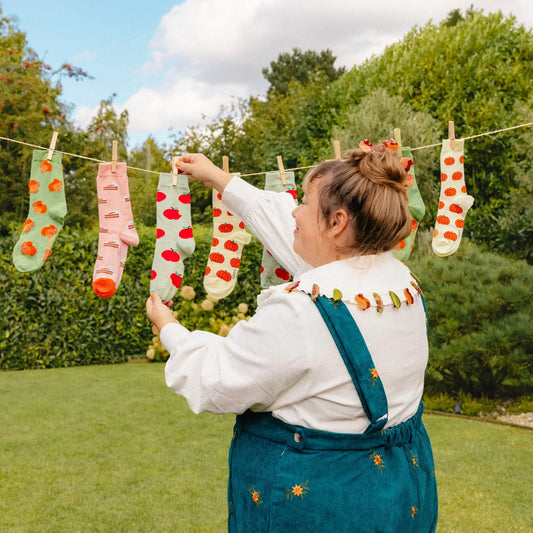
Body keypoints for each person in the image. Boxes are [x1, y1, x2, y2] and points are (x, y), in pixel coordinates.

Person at [146, 142, 438, 532]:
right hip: (400, 494)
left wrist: (171, 331)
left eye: (303, 201)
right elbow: (288, 229)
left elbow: (215, 381)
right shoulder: (402, 285)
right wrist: (219, 178)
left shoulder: (301, 312)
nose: (294, 211)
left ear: (337, 222)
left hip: (317, 506)